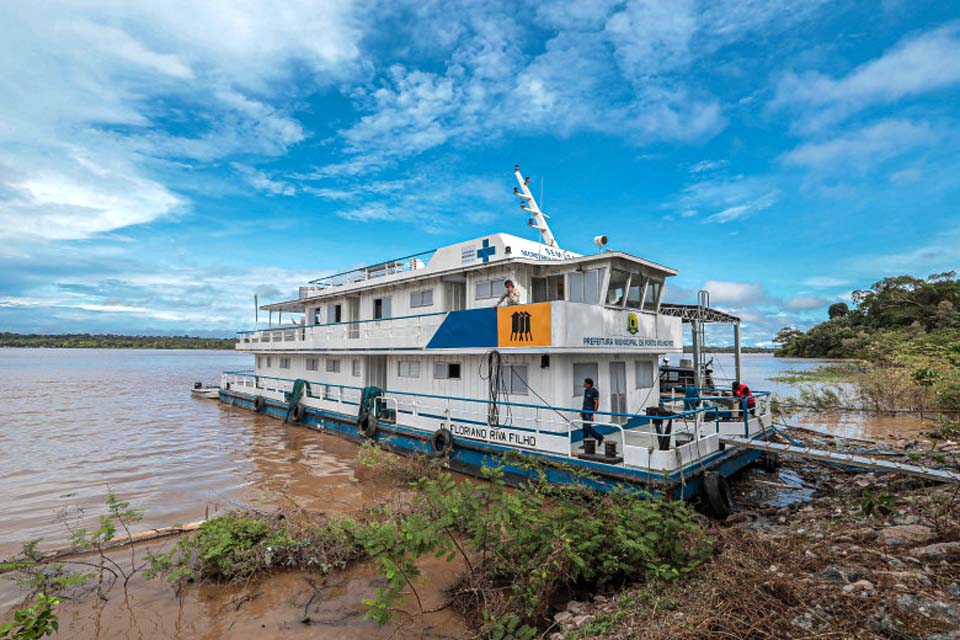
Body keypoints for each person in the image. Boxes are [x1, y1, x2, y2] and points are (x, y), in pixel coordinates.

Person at [580, 378, 604, 446]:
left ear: (589, 384)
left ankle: (599, 437)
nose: (584, 385)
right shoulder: (586, 391)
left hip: (590, 412)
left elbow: (596, 403)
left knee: (587, 427)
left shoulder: (594, 391)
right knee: (584, 428)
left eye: (585, 384)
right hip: (584, 411)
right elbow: (585, 401)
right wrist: (582, 411)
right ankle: (585, 444)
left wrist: (593, 413)